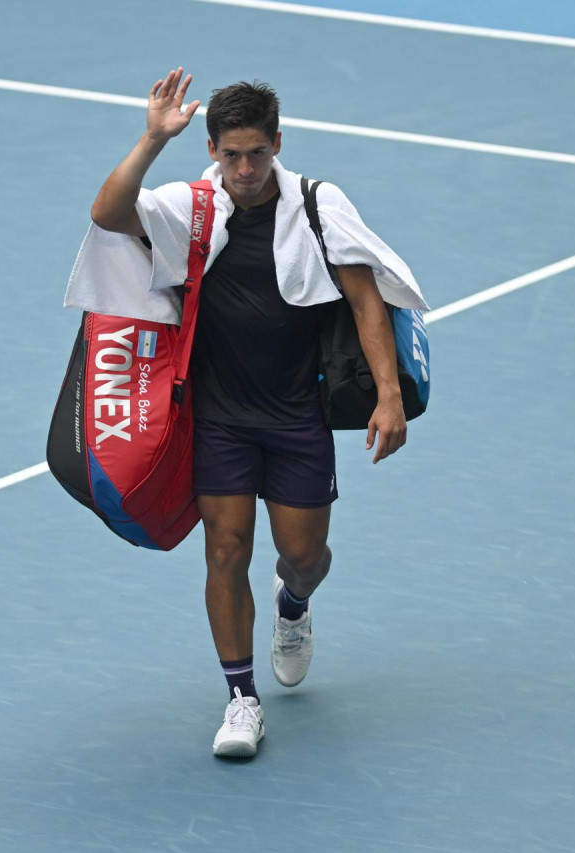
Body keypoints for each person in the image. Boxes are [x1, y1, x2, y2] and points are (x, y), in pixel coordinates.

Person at [76, 68, 427, 758]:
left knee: (303, 555)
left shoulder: (320, 206)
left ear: (277, 144)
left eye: (256, 154)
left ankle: (292, 605)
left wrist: (389, 395)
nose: (243, 168)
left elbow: (365, 302)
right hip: (219, 417)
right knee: (225, 548)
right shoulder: (193, 206)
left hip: (297, 416)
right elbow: (109, 214)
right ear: (211, 148)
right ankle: (241, 699)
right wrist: (151, 139)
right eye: (230, 154)